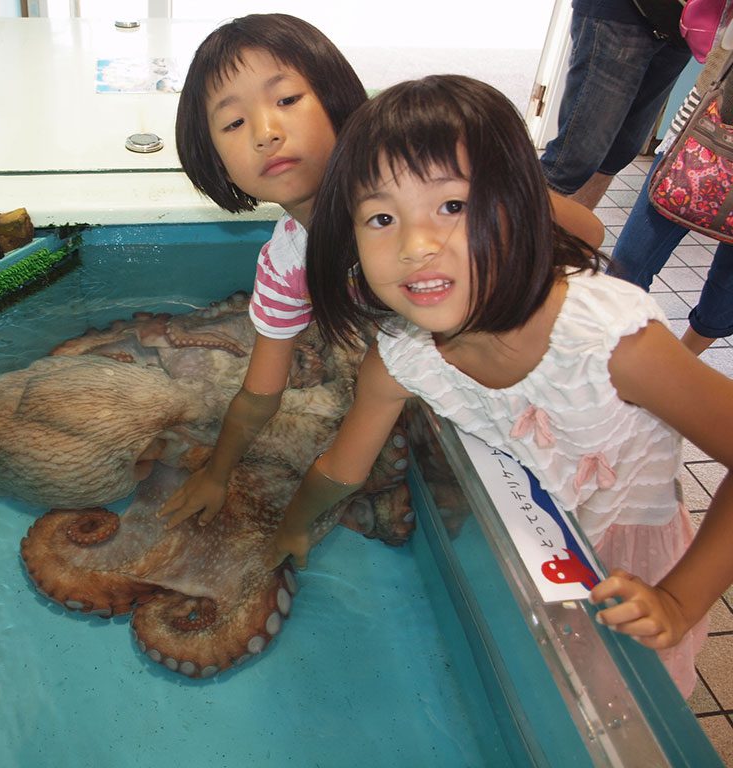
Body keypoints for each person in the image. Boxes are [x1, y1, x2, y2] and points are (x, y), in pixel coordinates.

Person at [272, 75, 733, 698]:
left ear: (520, 206)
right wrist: (292, 525)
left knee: (630, 702)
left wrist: (679, 601)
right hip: (538, 550)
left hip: (642, 568)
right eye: (381, 216)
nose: (416, 245)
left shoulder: (609, 342)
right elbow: (341, 465)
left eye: (453, 206)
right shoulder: (403, 359)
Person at [159, 14, 606, 529]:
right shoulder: (289, 265)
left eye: (287, 100)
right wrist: (217, 474)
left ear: (335, 98)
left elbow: (586, 235)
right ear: (213, 160)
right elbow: (261, 393)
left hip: (564, 363)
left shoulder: (426, 174)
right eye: (233, 123)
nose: (266, 133)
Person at [608, 11, 733, 355]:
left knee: (726, 290)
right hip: (704, 126)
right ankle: (611, 359)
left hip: (704, 127)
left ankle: (678, 365)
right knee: (630, 264)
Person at [540, 0, 692, 210]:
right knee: (574, 158)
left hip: (685, 24)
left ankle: (570, 240)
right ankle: (515, 240)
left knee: (620, 151)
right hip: (621, 12)